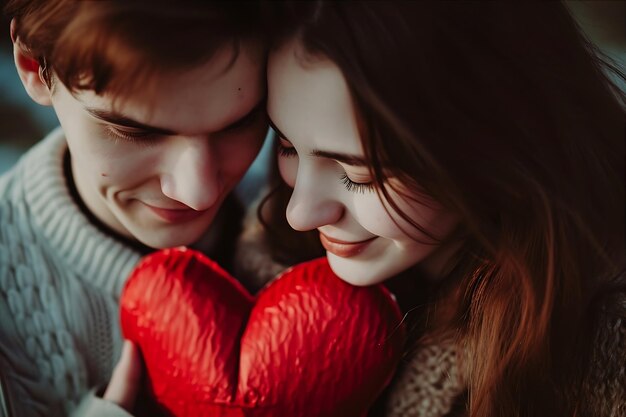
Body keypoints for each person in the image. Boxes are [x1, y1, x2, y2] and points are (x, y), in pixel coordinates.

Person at [256, 1, 626, 416]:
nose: (299, 213)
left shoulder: (599, 350)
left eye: (360, 175)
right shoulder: (257, 264)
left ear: (494, 147)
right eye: (286, 146)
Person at [0, 1, 268, 415]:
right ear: (36, 67)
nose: (197, 194)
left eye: (240, 123)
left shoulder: (330, 228)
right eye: (133, 130)